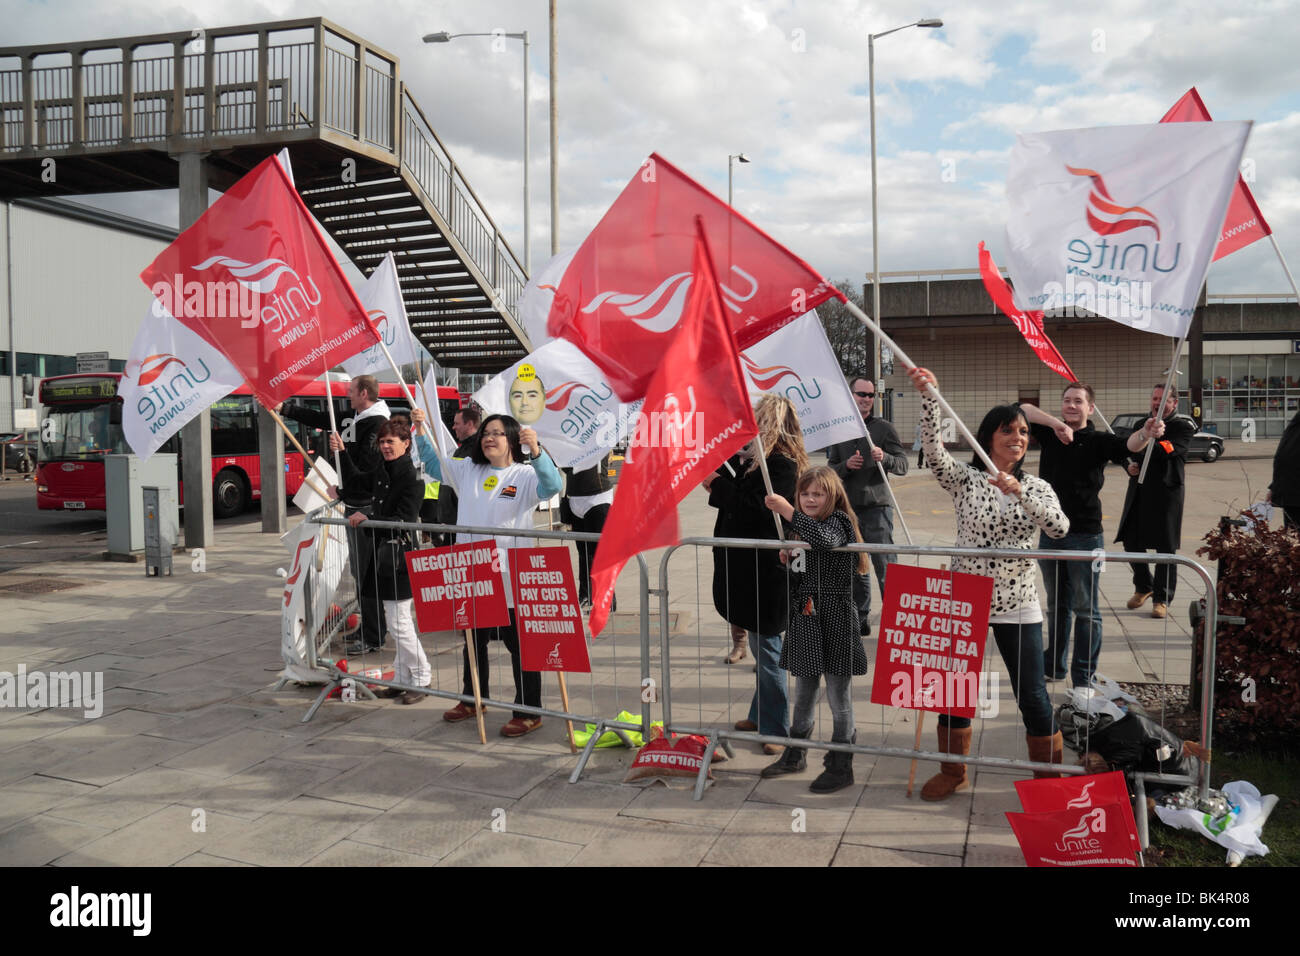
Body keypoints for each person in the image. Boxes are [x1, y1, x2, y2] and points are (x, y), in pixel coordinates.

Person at [909, 366, 1069, 800]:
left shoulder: (1037, 486)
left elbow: (1058, 528)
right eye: (1007, 431)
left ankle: (1048, 781)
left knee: (1033, 696)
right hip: (965, 598)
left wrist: (1020, 493)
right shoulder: (966, 480)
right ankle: (953, 770)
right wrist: (930, 396)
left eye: (1022, 432)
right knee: (954, 691)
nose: (1017, 438)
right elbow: (932, 449)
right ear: (989, 436)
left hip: (1019, 602)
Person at [411, 407, 563, 737]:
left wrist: (536, 451)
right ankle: (473, 698)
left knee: (518, 643)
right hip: (473, 570)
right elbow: (436, 466)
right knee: (473, 640)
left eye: (496, 433)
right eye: (485, 434)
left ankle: (528, 709)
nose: (489, 438)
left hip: (510, 574)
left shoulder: (523, 475)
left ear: (512, 440)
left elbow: (552, 485)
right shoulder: (468, 470)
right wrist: (420, 430)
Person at [1021, 383, 1165, 686]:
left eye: (1078, 402)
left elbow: (1130, 445)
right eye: (1066, 401)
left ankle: (1083, 678)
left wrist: (1147, 432)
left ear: (1090, 408)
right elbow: (1020, 410)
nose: (1071, 406)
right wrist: (1055, 423)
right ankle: (1054, 667)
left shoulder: (1099, 441)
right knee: (1057, 606)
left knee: (1086, 610)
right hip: (1050, 534)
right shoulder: (1050, 433)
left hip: (1086, 535)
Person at [703, 394, 808, 753]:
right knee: (763, 645)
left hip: (766, 573)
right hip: (746, 571)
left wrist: (716, 485)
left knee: (769, 648)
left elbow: (757, 510)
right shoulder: (754, 460)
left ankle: (777, 729)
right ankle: (760, 712)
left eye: (758, 420)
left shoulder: (781, 465)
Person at [760, 466, 870, 793]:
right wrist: (789, 559)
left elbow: (824, 541)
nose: (810, 499)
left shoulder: (838, 522)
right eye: (805, 494)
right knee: (804, 691)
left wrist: (788, 511)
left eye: (817, 494)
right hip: (807, 616)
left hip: (835, 616)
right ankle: (795, 754)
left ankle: (841, 763)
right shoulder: (799, 531)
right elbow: (800, 576)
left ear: (832, 496)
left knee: (839, 695)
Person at [276, 375, 390, 653]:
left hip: (365, 506)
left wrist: (342, 454)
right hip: (352, 501)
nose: (348, 396)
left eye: (351, 392)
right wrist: (285, 408)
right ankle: (368, 627)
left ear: (364, 393)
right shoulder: (354, 416)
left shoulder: (376, 424)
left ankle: (374, 635)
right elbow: (322, 417)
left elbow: (365, 468)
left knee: (367, 571)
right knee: (360, 572)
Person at [335, 419, 429, 704]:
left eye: (391, 441)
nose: (385, 446)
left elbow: (404, 519)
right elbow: (355, 481)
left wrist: (368, 519)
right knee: (395, 619)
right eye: (382, 441)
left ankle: (422, 677)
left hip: (398, 558)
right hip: (382, 558)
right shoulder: (381, 470)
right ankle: (401, 678)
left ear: (406, 443)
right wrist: (341, 452)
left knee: (400, 623)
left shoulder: (411, 478)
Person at [827, 376, 907, 636]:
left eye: (870, 395)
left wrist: (886, 458)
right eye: (861, 394)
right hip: (848, 510)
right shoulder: (840, 430)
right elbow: (831, 470)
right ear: (850, 395)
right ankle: (861, 617)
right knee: (856, 568)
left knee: (885, 566)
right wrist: (845, 466)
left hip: (877, 509)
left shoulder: (883, 429)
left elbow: (904, 464)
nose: (866, 399)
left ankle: (896, 619)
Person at [1115, 384, 1195, 620]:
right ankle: (1144, 586)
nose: (1157, 403)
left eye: (1163, 400)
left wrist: (1151, 440)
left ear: (1174, 403)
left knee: (1165, 547)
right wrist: (1128, 464)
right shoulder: (1143, 424)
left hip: (1166, 493)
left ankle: (1162, 598)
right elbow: (1126, 449)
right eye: (1155, 398)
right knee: (1131, 540)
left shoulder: (1183, 425)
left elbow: (1171, 449)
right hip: (1140, 489)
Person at [560, 455, 614, 612]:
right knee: (582, 552)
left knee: (599, 553)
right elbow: (567, 468)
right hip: (575, 498)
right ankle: (585, 593)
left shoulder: (597, 434)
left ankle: (607, 597)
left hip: (598, 496)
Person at [1266, 408, 1300, 529]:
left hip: (1295, 494)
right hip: (1290, 494)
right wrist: (1274, 487)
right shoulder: (1296, 424)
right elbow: (1288, 458)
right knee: (1293, 539)